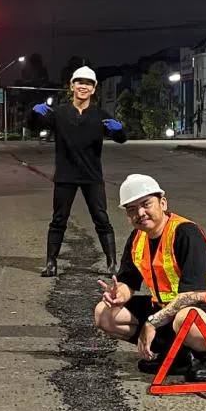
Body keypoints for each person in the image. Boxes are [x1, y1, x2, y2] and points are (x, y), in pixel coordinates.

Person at [93, 174, 206, 382]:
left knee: (187, 320)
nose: (140, 214)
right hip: (165, 309)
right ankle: (178, 356)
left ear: (162, 203)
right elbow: (128, 281)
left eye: (146, 204)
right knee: (104, 314)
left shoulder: (185, 233)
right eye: (132, 210)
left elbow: (194, 294)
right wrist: (119, 294)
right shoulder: (138, 238)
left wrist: (152, 322)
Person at [27, 65, 127, 277]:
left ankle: (112, 264)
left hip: (92, 176)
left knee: (101, 219)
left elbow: (120, 138)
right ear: (72, 86)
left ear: (94, 89)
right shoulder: (60, 113)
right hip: (65, 175)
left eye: (88, 83)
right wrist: (33, 114)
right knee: (58, 220)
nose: (83, 86)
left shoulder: (99, 115)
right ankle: (51, 263)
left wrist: (120, 130)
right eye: (79, 82)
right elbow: (35, 125)